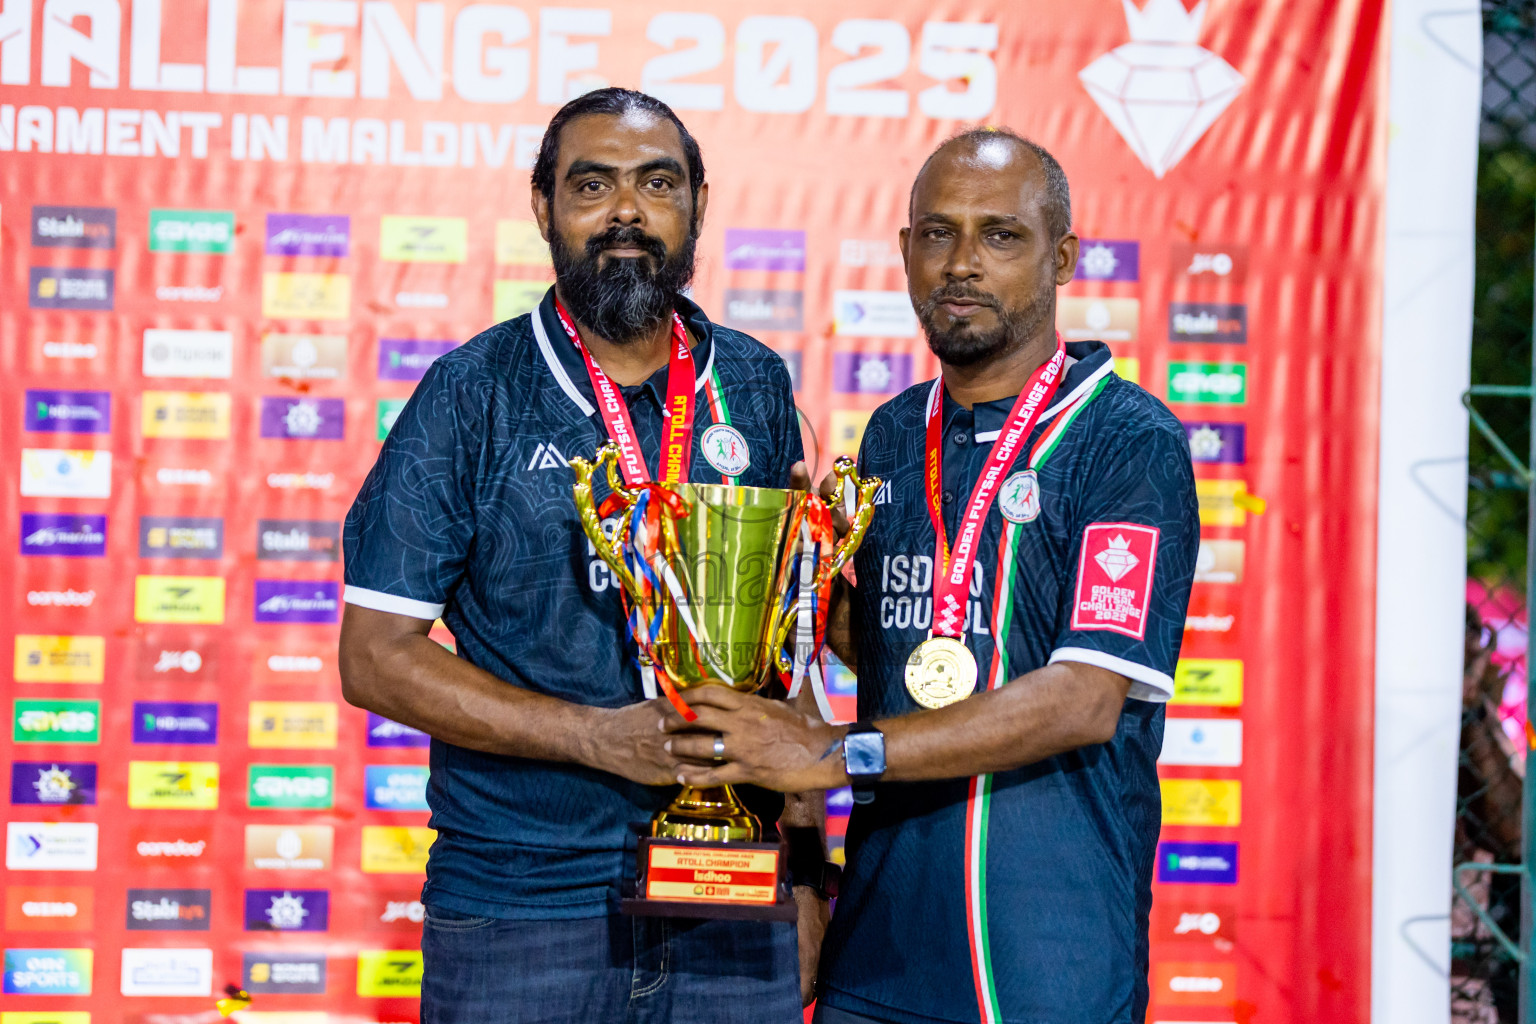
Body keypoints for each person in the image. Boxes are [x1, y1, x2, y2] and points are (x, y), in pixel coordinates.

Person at [662, 128, 1200, 1023]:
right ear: (907, 253)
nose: (962, 263)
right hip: (876, 954)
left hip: (1046, 965)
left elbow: (1083, 697)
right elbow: (888, 651)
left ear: (1062, 256)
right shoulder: (890, 436)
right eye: (938, 234)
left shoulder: (1128, 442)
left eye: (1000, 236)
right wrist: (802, 582)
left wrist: (837, 753)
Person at [339, 87, 827, 1024]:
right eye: (592, 185)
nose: (627, 213)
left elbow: (786, 646)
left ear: (699, 203)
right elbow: (374, 657)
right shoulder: (472, 391)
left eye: (657, 183)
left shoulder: (755, 384)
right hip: (524, 905)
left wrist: (806, 872)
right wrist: (598, 738)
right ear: (543, 209)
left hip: (728, 902)